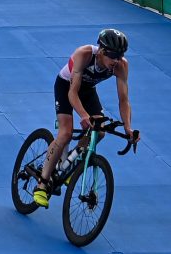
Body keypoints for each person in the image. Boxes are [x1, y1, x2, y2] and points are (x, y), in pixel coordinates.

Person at [32, 28, 135, 208]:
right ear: (102, 51)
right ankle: (42, 184)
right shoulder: (84, 54)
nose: (116, 61)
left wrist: (128, 127)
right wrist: (83, 115)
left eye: (120, 55)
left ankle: (70, 162)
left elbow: (124, 100)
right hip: (66, 87)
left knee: (99, 132)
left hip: (88, 90)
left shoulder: (121, 66)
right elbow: (72, 93)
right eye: (113, 56)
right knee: (65, 133)